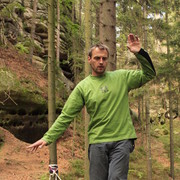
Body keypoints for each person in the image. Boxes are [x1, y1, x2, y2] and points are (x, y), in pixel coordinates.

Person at [27, 33, 156, 179]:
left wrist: (139, 53)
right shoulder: (83, 87)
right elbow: (66, 115)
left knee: (116, 178)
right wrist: (47, 138)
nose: (101, 62)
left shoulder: (122, 77)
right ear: (89, 59)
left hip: (122, 140)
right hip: (97, 142)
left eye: (104, 58)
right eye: (97, 58)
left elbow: (149, 74)